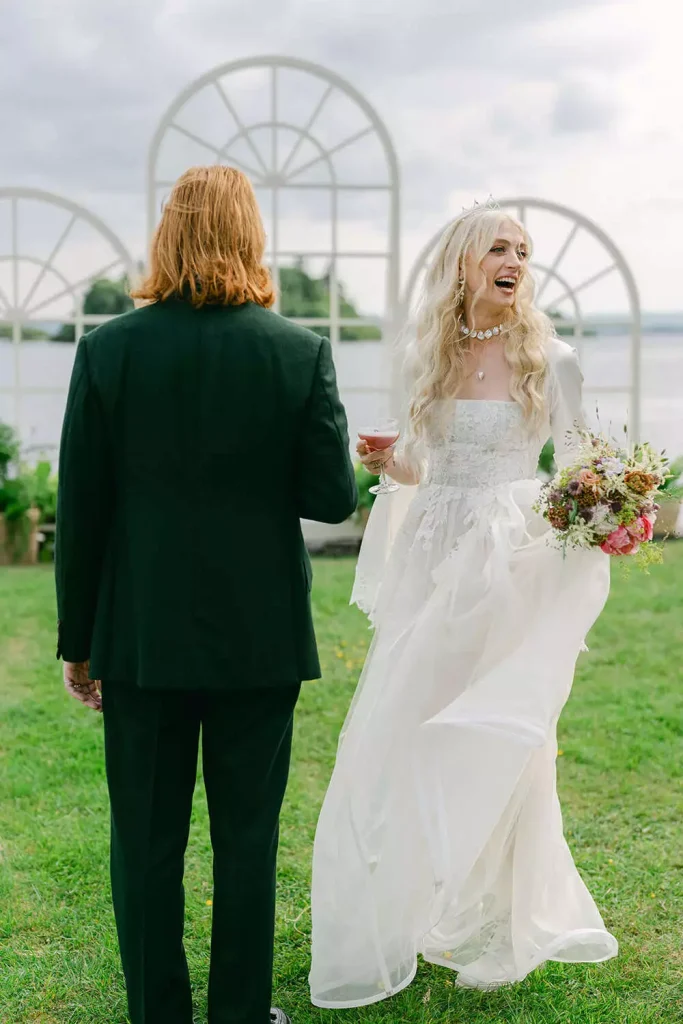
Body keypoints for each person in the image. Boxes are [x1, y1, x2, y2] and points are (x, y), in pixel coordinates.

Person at [55, 164, 357, 1024]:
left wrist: (79, 641)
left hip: (142, 641)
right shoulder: (298, 351)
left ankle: (159, 1014)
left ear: (168, 234)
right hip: (259, 641)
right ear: (251, 236)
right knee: (246, 844)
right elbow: (330, 499)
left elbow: (81, 513)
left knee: (144, 845)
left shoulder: (108, 350)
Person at [309, 203, 618, 1007]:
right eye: (497, 248)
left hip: (503, 561)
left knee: (495, 731)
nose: (513, 259)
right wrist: (389, 461)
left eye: (522, 249)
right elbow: (423, 469)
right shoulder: (428, 354)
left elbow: (584, 470)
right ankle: (417, 900)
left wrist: (569, 523)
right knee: (408, 722)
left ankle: (499, 911)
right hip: (430, 559)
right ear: (462, 263)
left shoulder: (550, 357)